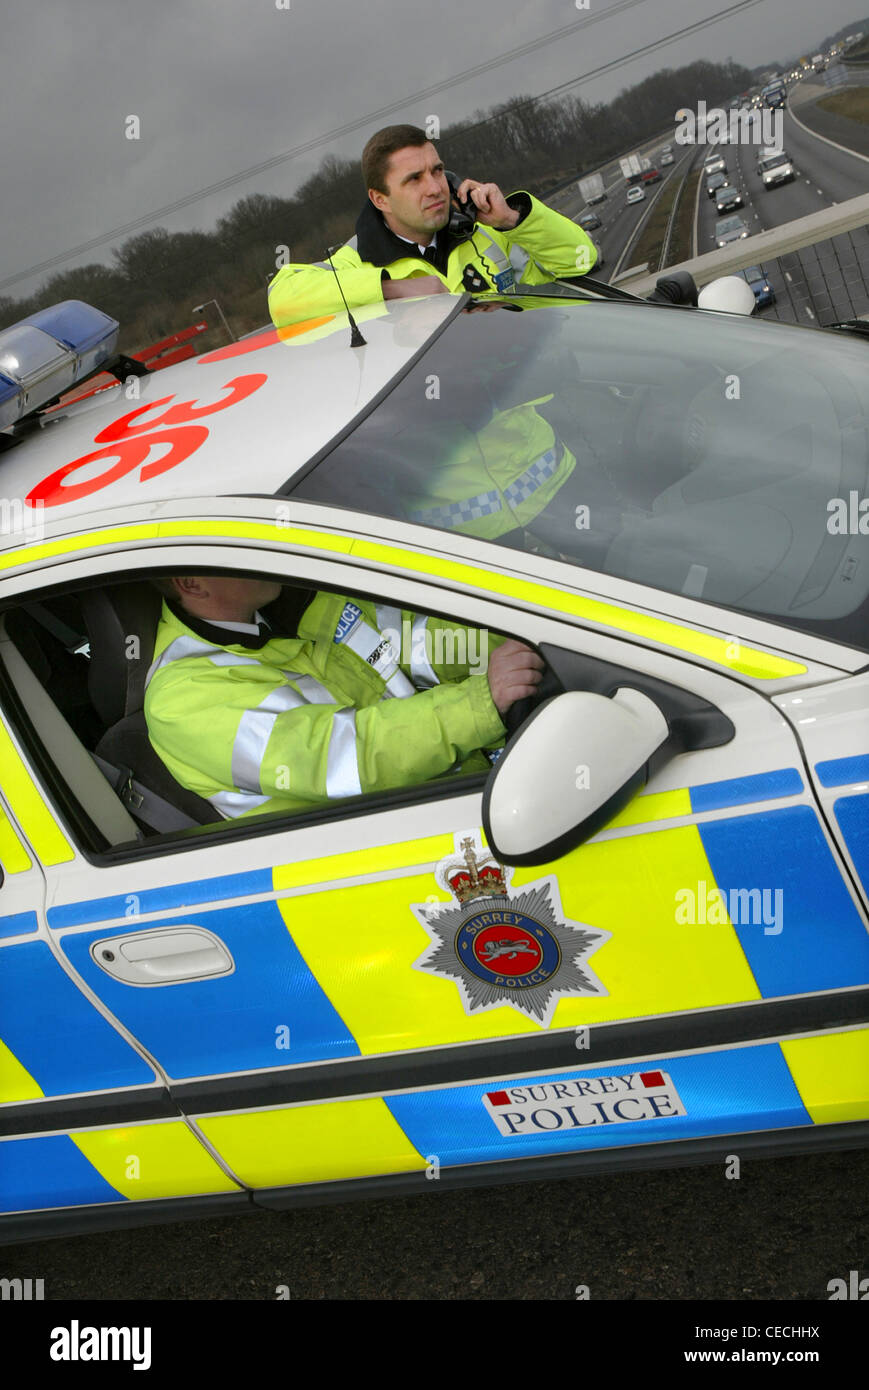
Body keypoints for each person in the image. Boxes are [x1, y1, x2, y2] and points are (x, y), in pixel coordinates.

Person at [144, 574, 544, 820]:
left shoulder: (283, 610)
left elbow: (410, 645)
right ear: (192, 584)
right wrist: (479, 703)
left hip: (460, 790)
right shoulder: (183, 700)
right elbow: (346, 757)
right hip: (385, 848)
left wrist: (519, 638)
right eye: (233, 547)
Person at [267, 124, 598, 328]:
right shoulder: (359, 259)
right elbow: (282, 298)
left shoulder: (486, 232)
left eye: (437, 171)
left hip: (537, 420)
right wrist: (392, 289)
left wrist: (512, 219)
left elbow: (582, 258)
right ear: (380, 199)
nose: (435, 187)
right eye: (414, 179)